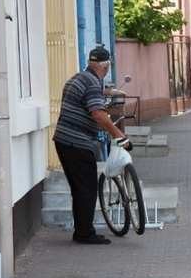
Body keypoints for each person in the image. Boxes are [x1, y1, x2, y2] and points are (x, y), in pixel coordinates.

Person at [53, 47, 133, 245]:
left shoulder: (79, 78)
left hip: (64, 140)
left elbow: (88, 97)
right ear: (106, 68)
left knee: (79, 189)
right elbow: (98, 114)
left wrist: (107, 91)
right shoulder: (91, 85)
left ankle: (81, 230)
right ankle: (84, 234)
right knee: (87, 188)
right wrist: (120, 137)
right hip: (77, 142)